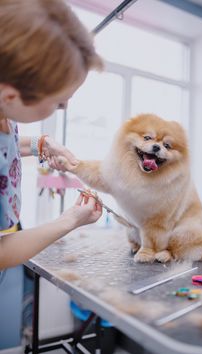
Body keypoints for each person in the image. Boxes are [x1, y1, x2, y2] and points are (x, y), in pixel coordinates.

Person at [0, 0, 104, 270]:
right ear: (10, 95)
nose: (65, 107)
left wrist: (40, 144)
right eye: (59, 101)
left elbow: (4, 148)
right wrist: (70, 220)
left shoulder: (4, 111)